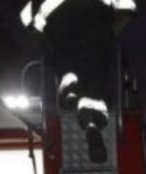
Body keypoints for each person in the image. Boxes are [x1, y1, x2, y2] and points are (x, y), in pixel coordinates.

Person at [20, 0, 137, 163]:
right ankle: (91, 120)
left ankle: (69, 81)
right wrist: (111, 33)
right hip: (96, 20)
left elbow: (26, 17)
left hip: (58, 24)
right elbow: (128, 8)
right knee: (97, 77)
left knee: (63, 54)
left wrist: (46, 41)